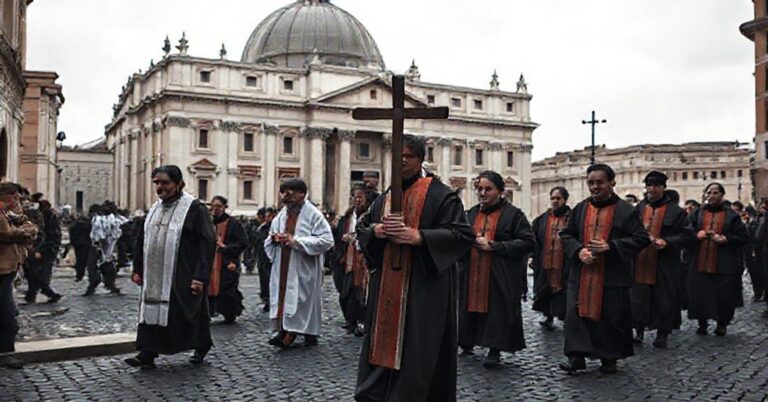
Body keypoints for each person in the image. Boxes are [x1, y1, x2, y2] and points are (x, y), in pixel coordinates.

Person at [355, 135, 475, 402]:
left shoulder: (441, 195)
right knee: (383, 340)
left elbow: (462, 235)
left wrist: (419, 237)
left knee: (419, 346)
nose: (401, 161)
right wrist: (376, 231)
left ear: (420, 159)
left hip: (424, 287)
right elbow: (363, 229)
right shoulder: (385, 198)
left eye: (407, 156)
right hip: (387, 286)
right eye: (396, 156)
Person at [558, 164, 650, 374]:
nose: (594, 187)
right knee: (576, 316)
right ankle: (576, 357)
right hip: (581, 274)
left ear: (612, 183)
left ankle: (609, 357)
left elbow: (641, 238)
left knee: (610, 317)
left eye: (599, 182)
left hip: (612, 275)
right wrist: (579, 250)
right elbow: (566, 235)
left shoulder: (626, 211)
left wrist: (612, 246)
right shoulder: (580, 208)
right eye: (590, 183)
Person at [125, 165, 215, 369]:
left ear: (179, 184)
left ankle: (201, 345)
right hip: (154, 274)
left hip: (182, 271)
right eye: (156, 182)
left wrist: (200, 276)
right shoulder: (154, 208)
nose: (160, 187)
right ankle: (147, 352)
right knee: (150, 310)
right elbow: (142, 239)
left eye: (165, 182)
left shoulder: (194, 208)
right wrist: (138, 268)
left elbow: (207, 242)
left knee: (187, 311)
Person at [458, 170, 535, 368]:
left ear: (500, 191)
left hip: (500, 273)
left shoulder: (514, 215)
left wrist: (496, 246)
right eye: (479, 189)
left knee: (497, 311)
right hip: (472, 271)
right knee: (467, 307)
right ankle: (467, 340)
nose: (482, 193)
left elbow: (528, 242)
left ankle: (494, 349)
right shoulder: (471, 214)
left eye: (488, 189)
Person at [265, 178, 334, 348]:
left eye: (290, 193)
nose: (286, 197)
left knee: (303, 299)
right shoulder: (281, 215)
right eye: (283, 193)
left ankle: (296, 333)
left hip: (303, 266)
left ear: (302, 194)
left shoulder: (314, 215)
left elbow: (327, 240)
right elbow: (270, 236)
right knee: (284, 297)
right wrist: (274, 239)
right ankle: (285, 330)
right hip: (283, 265)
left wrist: (297, 242)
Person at [629, 171, 694, 349]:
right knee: (638, 298)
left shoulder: (676, 212)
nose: (652, 189)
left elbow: (687, 236)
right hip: (641, 261)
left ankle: (662, 333)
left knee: (664, 298)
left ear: (663, 188)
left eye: (656, 185)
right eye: (649, 185)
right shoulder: (638, 209)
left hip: (664, 263)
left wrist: (667, 242)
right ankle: (638, 331)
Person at [687, 183, 749, 337]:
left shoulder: (732, 216)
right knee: (700, 293)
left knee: (723, 294)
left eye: (715, 193)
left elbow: (743, 237)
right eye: (709, 193)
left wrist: (725, 239)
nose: (711, 196)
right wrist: (696, 235)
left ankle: (722, 323)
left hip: (723, 262)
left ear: (722, 195)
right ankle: (702, 322)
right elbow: (685, 232)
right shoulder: (697, 214)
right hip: (700, 261)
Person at [0, 183, 38, 369]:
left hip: (8, 269)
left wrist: (23, 230)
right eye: (15, 197)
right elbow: (6, 233)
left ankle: (6, 353)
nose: (18, 201)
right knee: (7, 316)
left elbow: (30, 225)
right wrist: (23, 232)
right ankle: (6, 354)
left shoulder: (10, 213)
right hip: (2, 270)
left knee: (8, 315)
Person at [531, 186, 571, 331]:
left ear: (565, 200)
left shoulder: (572, 218)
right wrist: (533, 257)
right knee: (545, 290)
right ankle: (548, 316)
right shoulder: (542, 219)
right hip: (545, 262)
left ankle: (566, 318)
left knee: (564, 291)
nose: (555, 201)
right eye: (553, 198)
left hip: (564, 264)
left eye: (558, 198)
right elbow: (534, 238)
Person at [333, 185, 370, 336]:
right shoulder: (347, 218)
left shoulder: (369, 216)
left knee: (360, 293)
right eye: (355, 196)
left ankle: (360, 322)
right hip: (347, 260)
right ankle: (350, 320)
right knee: (345, 294)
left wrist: (356, 239)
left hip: (362, 261)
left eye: (360, 197)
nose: (357, 200)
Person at [208, 195, 247, 324]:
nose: (216, 209)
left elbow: (243, 242)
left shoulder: (234, 224)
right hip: (210, 261)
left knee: (227, 288)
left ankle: (229, 313)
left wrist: (226, 247)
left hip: (227, 261)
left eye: (219, 206)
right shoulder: (208, 223)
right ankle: (209, 312)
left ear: (224, 207)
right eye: (213, 206)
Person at [24, 197, 62, 304]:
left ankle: (50, 294)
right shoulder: (47, 217)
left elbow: (49, 237)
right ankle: (31, 295)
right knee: (33, 274)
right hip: (41, 250)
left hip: (46, 251)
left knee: (40, 274)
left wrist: (40, 250)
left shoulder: (49, 218)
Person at [84, 202, 126, 296]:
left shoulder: (97, 221)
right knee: (106, 263)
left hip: (97, 246)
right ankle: (109, 284)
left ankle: (96, 283)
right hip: (107, 246)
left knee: (93, 265)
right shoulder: (115, 221)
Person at [255, 207, 276, 312]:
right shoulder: (262, 227)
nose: (268, 218)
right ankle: (266, 299)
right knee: (264, 279)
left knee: (269, 279)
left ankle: (270, 301)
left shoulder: (272, 228)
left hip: (269, 258)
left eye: (270, 216)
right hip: (262, 256)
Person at [68, 207, 96, 282]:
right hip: (86, 243)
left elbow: (71, 234)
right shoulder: (88, 224)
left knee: (79, 259)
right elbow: (91, 234)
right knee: (85, 259)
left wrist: (72, 242)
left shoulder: (74, 225)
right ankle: (85, 273)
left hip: (77, 244)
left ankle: (79, 275)